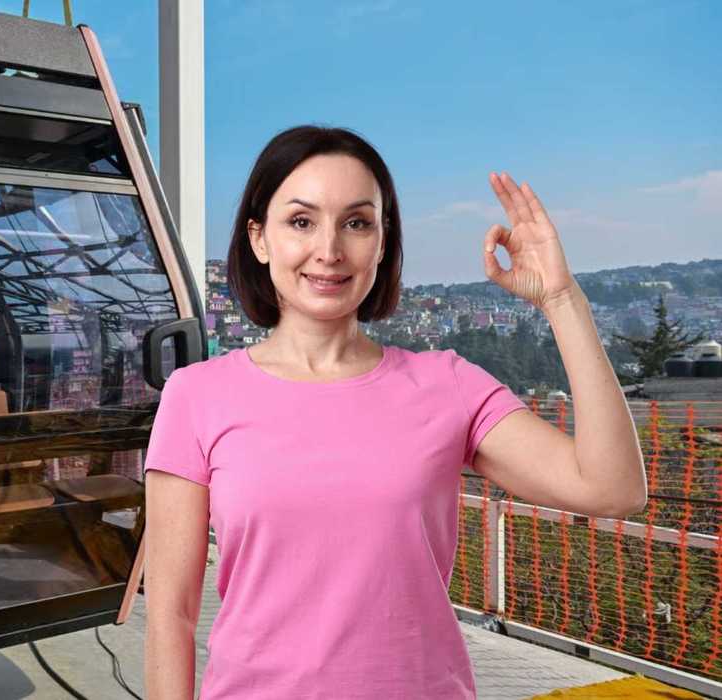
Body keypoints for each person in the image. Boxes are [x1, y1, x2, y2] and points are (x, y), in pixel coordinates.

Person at [141, 125, 648, 699]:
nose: (329, 251)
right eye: (301, 221)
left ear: (382, 243)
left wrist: (562, 299)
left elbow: (613, 488)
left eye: (357, 223)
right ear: (259, 239)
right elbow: (171, 615)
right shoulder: (197, 395)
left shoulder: (447, 384)